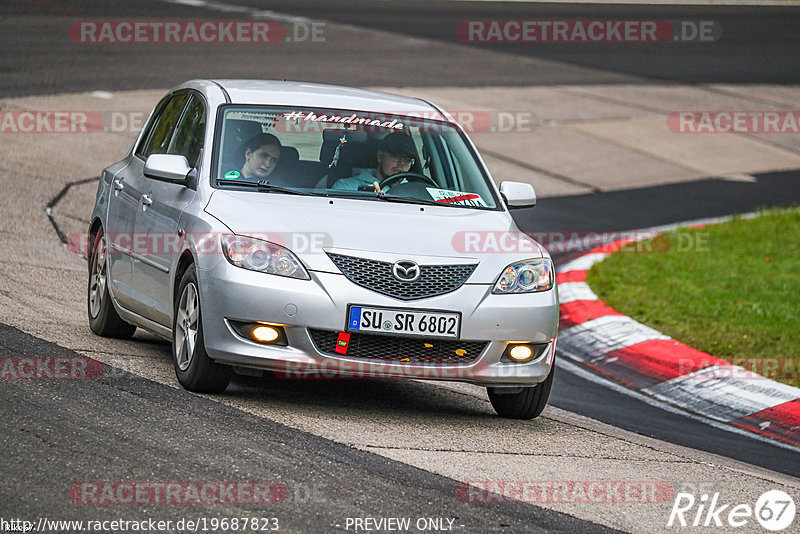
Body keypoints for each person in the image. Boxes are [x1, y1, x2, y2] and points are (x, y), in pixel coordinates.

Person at [331, 132, 417, 191]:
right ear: (380, 156)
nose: (401, 163)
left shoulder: (416, 192)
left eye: (407, 160)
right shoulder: (347, 187)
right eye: (396, 157)